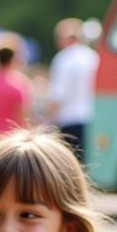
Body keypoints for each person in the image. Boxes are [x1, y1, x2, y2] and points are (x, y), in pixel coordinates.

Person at [46, 18, 99, 161]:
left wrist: (48, 120)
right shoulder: (92, 57)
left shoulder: (63, 58)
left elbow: (58, 95)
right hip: (90, 118)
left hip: (68, 119)